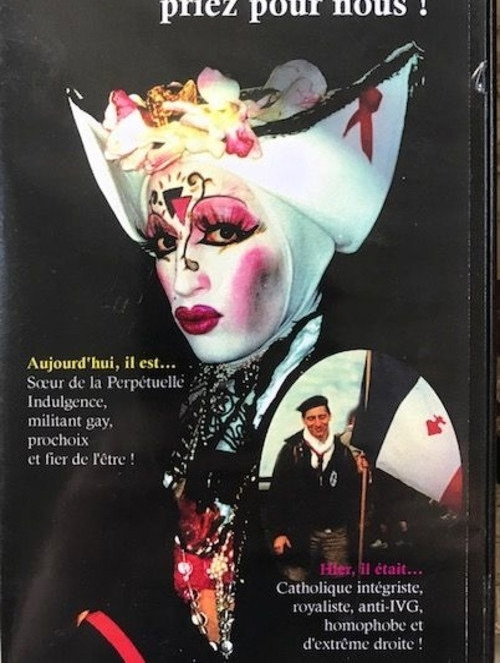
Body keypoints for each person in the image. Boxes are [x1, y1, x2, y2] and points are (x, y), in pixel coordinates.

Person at [31, 44, 418, 660]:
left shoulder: (365, 393)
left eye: (221, 230)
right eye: (164, 242)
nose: (183, 277)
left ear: (304, 237)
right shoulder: (196, 400)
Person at [268, 395, 360, 579]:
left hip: (335, 534)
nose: (317, 423)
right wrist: (278, 533)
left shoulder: (342, 452)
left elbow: (353, 493)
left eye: (322, 417)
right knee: (297, 583)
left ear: (329, 417)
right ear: (304, 421)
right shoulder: (291, 451)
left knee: (339, 585)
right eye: (311, 418)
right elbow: (277, 495)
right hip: (299, 533)